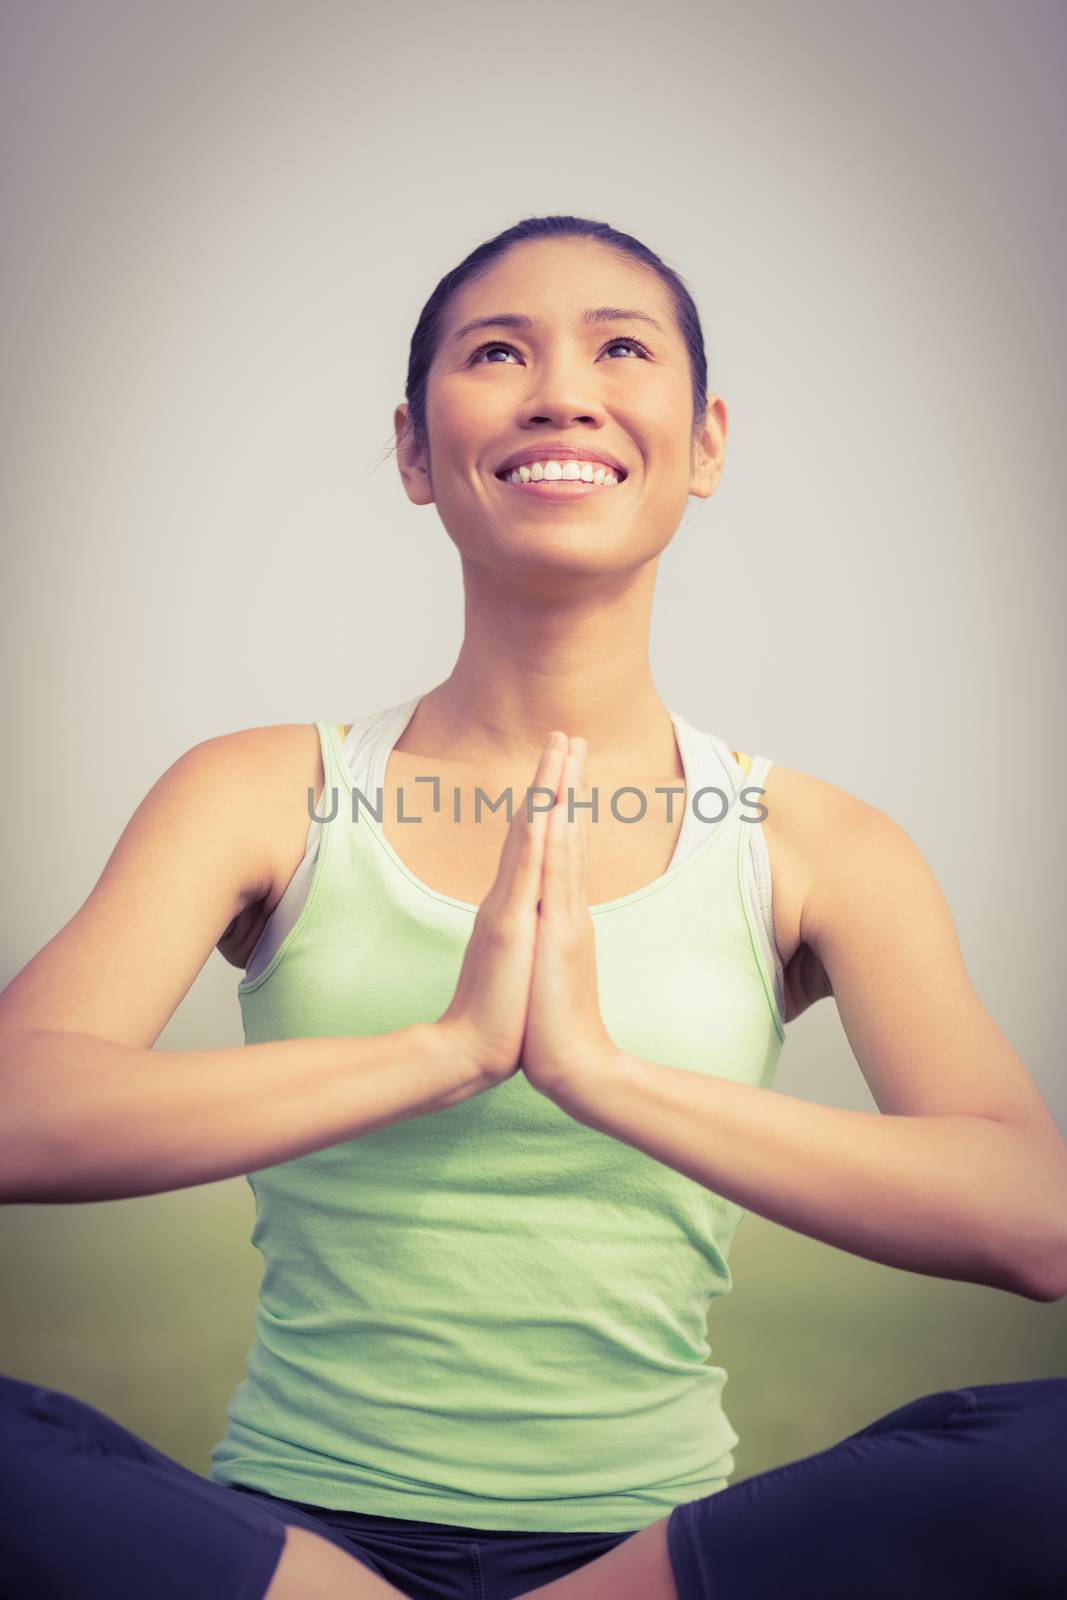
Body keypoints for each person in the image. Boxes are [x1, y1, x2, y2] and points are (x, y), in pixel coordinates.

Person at [2, 214, 1066, 1600]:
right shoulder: (258, 792)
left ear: (704, 444)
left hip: (653, 1566)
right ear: (412, 449)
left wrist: (596, 1073)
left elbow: (1034, 1218)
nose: (561, 389)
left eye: (621, 349)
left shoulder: (815, 844)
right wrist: (438, 1052)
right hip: (288, 1556)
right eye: (498, 352)